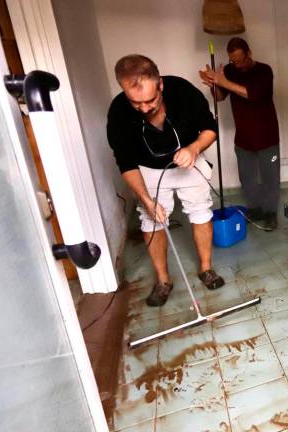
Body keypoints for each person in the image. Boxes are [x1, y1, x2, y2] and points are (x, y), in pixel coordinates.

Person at [107, 54, 225, 307]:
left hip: (189, 162)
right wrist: (146, 199)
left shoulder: (183, 91)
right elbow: (125, 163)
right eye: (136, 103)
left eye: (150, 100)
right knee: (152, 218)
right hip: (147, 169)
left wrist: (193, 148)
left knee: (200, 211)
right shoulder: (118, 112)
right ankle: (163, 281)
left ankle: (206, 268)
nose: (145, 108)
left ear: (160, 84)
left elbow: (209, 128)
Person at [199, 37, 281, 231]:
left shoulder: (264, 71)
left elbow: (251, 94)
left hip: (267, 136)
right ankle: (255, 209)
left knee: (270, 178)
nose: (236, 64)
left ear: (249, 53)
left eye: (239, 60)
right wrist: (214, 85)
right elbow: (220, 98)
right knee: (247, 178)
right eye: (232, 61)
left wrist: (223, 82)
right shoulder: (229, 72)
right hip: (243, 137)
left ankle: (270, 213)